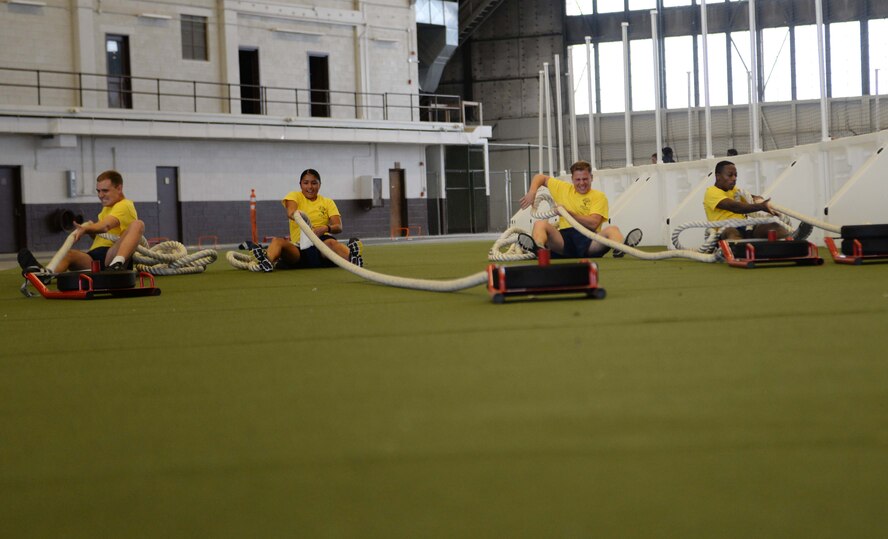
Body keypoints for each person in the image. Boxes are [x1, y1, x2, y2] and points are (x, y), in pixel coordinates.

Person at [19, 170, 145, 274]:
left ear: (119, 188)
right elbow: (104, 232)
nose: (100, 195)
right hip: (94, 257)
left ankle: (117, 264)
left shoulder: (124, 205)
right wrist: (92, 232)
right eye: (98, 191)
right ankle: (44, 274)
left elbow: (106, 226)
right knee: (69, 255)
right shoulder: (107, 208)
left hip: (111, 255)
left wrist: (87, 229)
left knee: (138, 224)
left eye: (105, 191)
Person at [242, 168, 362, 271]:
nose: (310, 187)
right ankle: (266, 261)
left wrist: (326, 228)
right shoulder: (294, 196)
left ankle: (353, 258)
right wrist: (304, 222)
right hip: (299, 247)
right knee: (277, 241)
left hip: (322, 244)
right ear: (300, 184)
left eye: (314, 183)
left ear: (320, 184)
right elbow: (291, 213)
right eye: (306, 183)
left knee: (332, 243)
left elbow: (338, 226)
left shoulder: (327, 202)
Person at [518, 160, 642, 258]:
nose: (582, 183)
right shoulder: (563, 188)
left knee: (613, 230)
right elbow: (540, 177)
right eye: (578, 179)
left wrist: (568, 213)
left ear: (591, 178)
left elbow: (593, 224)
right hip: (563, 241)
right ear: (572, 179)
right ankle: (539, 249)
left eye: (585, 179)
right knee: (540, 224)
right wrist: (532, 192)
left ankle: (620, 248)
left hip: (589, 241)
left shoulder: (599, 196)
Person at [702, 160, 789, 240]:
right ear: (718, 176)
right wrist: (761, 206)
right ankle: (739, 253)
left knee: (772, 226)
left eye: (735, 175)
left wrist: (757, 198)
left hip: (745, 226)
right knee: (732, 232)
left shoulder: (733, 190)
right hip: (725, 229)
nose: (734, 178)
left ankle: (792, 240)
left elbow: (747, 197)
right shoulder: (711, 192)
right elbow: (734, 207)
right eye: (730, 175)